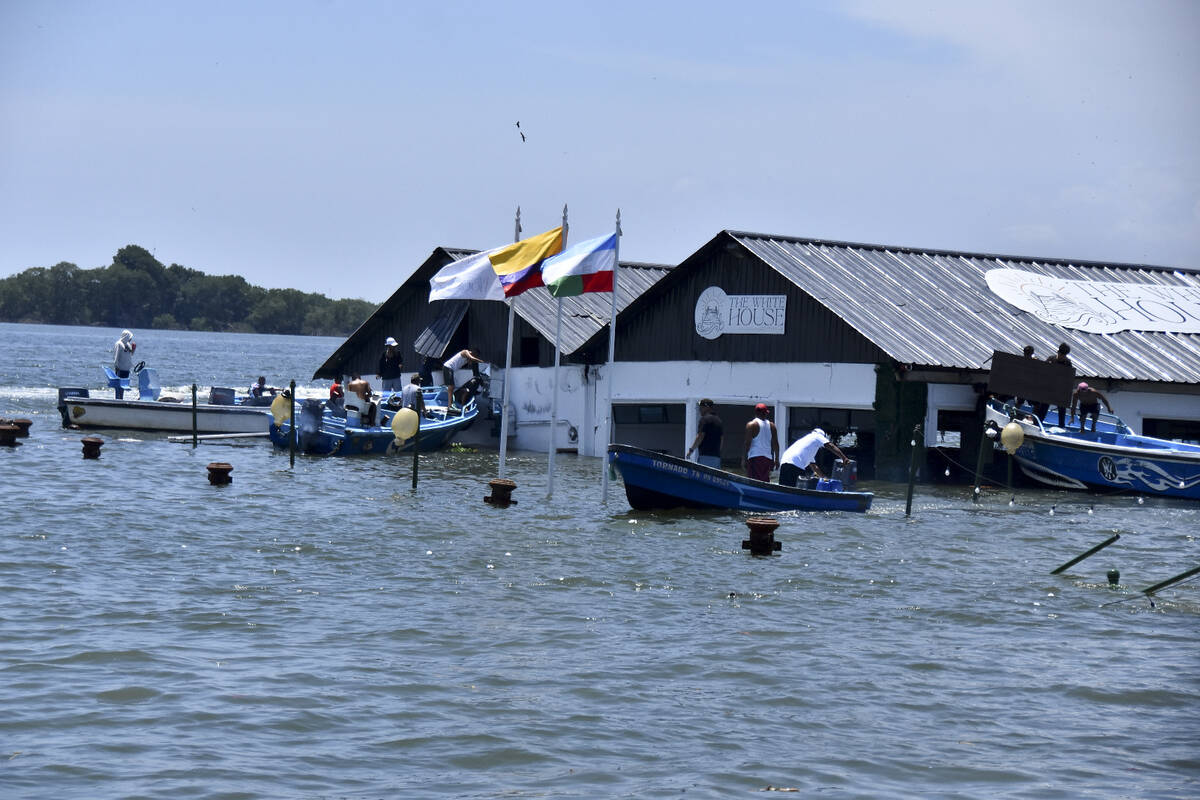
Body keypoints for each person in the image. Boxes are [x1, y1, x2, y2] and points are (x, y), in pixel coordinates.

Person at [778, 426, 850, 487]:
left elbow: (814, 467)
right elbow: (830, 445)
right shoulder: (817, 436)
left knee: (783, 488)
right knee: (796, 490)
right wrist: (844, 458)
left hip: (784, 462)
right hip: (795, 465)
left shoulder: (806, 443)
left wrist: (824, 478)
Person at [742, 403, 779, 482]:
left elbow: (747, 443)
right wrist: (776, 459)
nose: (765, 414)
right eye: (764, 413)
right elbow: (776, 443)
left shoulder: (751, 425)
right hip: (767, 458)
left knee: (753, 481)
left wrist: (744, 459)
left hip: (755, 457)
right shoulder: (772, 425)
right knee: (765, 481)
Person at [686, 398, 723, 468]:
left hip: (705, 457)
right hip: (716, 458)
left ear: (707, 407)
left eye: (701, 407)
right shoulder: (719, 421)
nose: (700, 409)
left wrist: (691, 450)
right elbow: (722, 439)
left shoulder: (704, 419)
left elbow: (700, 436)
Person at [112, 330, 136, 399]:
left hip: (126, 369)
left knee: (123, 386)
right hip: (120, 369)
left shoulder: (128, 344)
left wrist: (133, 350)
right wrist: (116, 366)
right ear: (126, 336)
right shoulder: (119, 344)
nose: (130, 339)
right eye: (129, 337)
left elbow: (130, 355)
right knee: (118, 386)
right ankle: (117, 399)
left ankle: (121, 398)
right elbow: (116, 356)